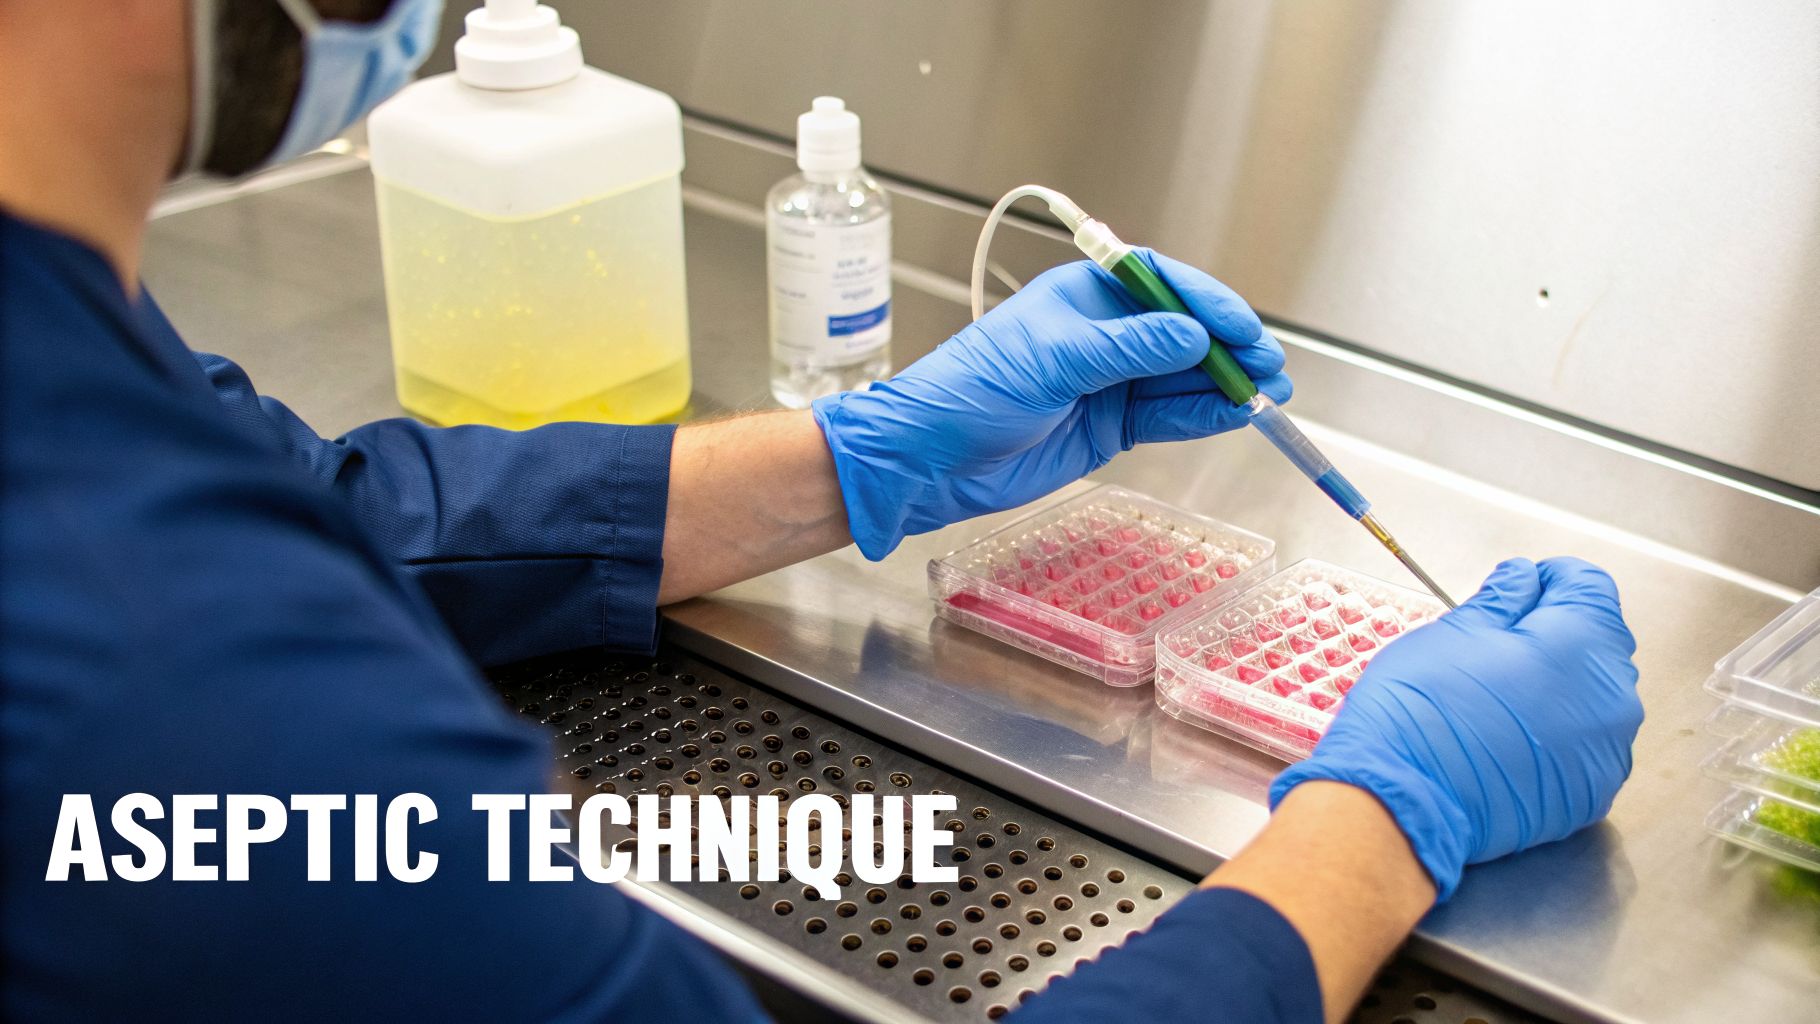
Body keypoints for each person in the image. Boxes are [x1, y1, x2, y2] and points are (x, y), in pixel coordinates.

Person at [0, 2, 1644, 1021]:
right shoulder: (181, 690)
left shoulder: (74, 374)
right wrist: (1380, 825)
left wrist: (860, 458)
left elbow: (328, 503)